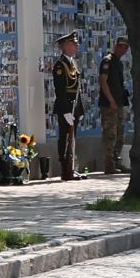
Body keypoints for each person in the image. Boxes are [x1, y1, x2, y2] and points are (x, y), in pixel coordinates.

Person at [50, 31, 83, 180]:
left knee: (73, 138)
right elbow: (60, 90)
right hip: (66, 107)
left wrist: (79, 109)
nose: (77, 45)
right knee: (65, 137)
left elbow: (77, 88)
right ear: (65, 46)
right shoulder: (60, 65)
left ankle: (72, 166)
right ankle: (66, 169)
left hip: (74, 106)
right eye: (74, 43)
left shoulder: (73, 63)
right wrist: (65, 111)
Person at [98, 35, 131, 175]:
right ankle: (109, 165)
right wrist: (111, 100)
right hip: (109, 104)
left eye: (125, 47)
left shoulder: (119, 62)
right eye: (120, 46)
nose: (122, 49)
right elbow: (103, 81)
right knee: (110, 135)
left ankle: (116, 161)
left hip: (118, 103)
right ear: (116, 46)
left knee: (120, 134)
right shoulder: (108, 61)